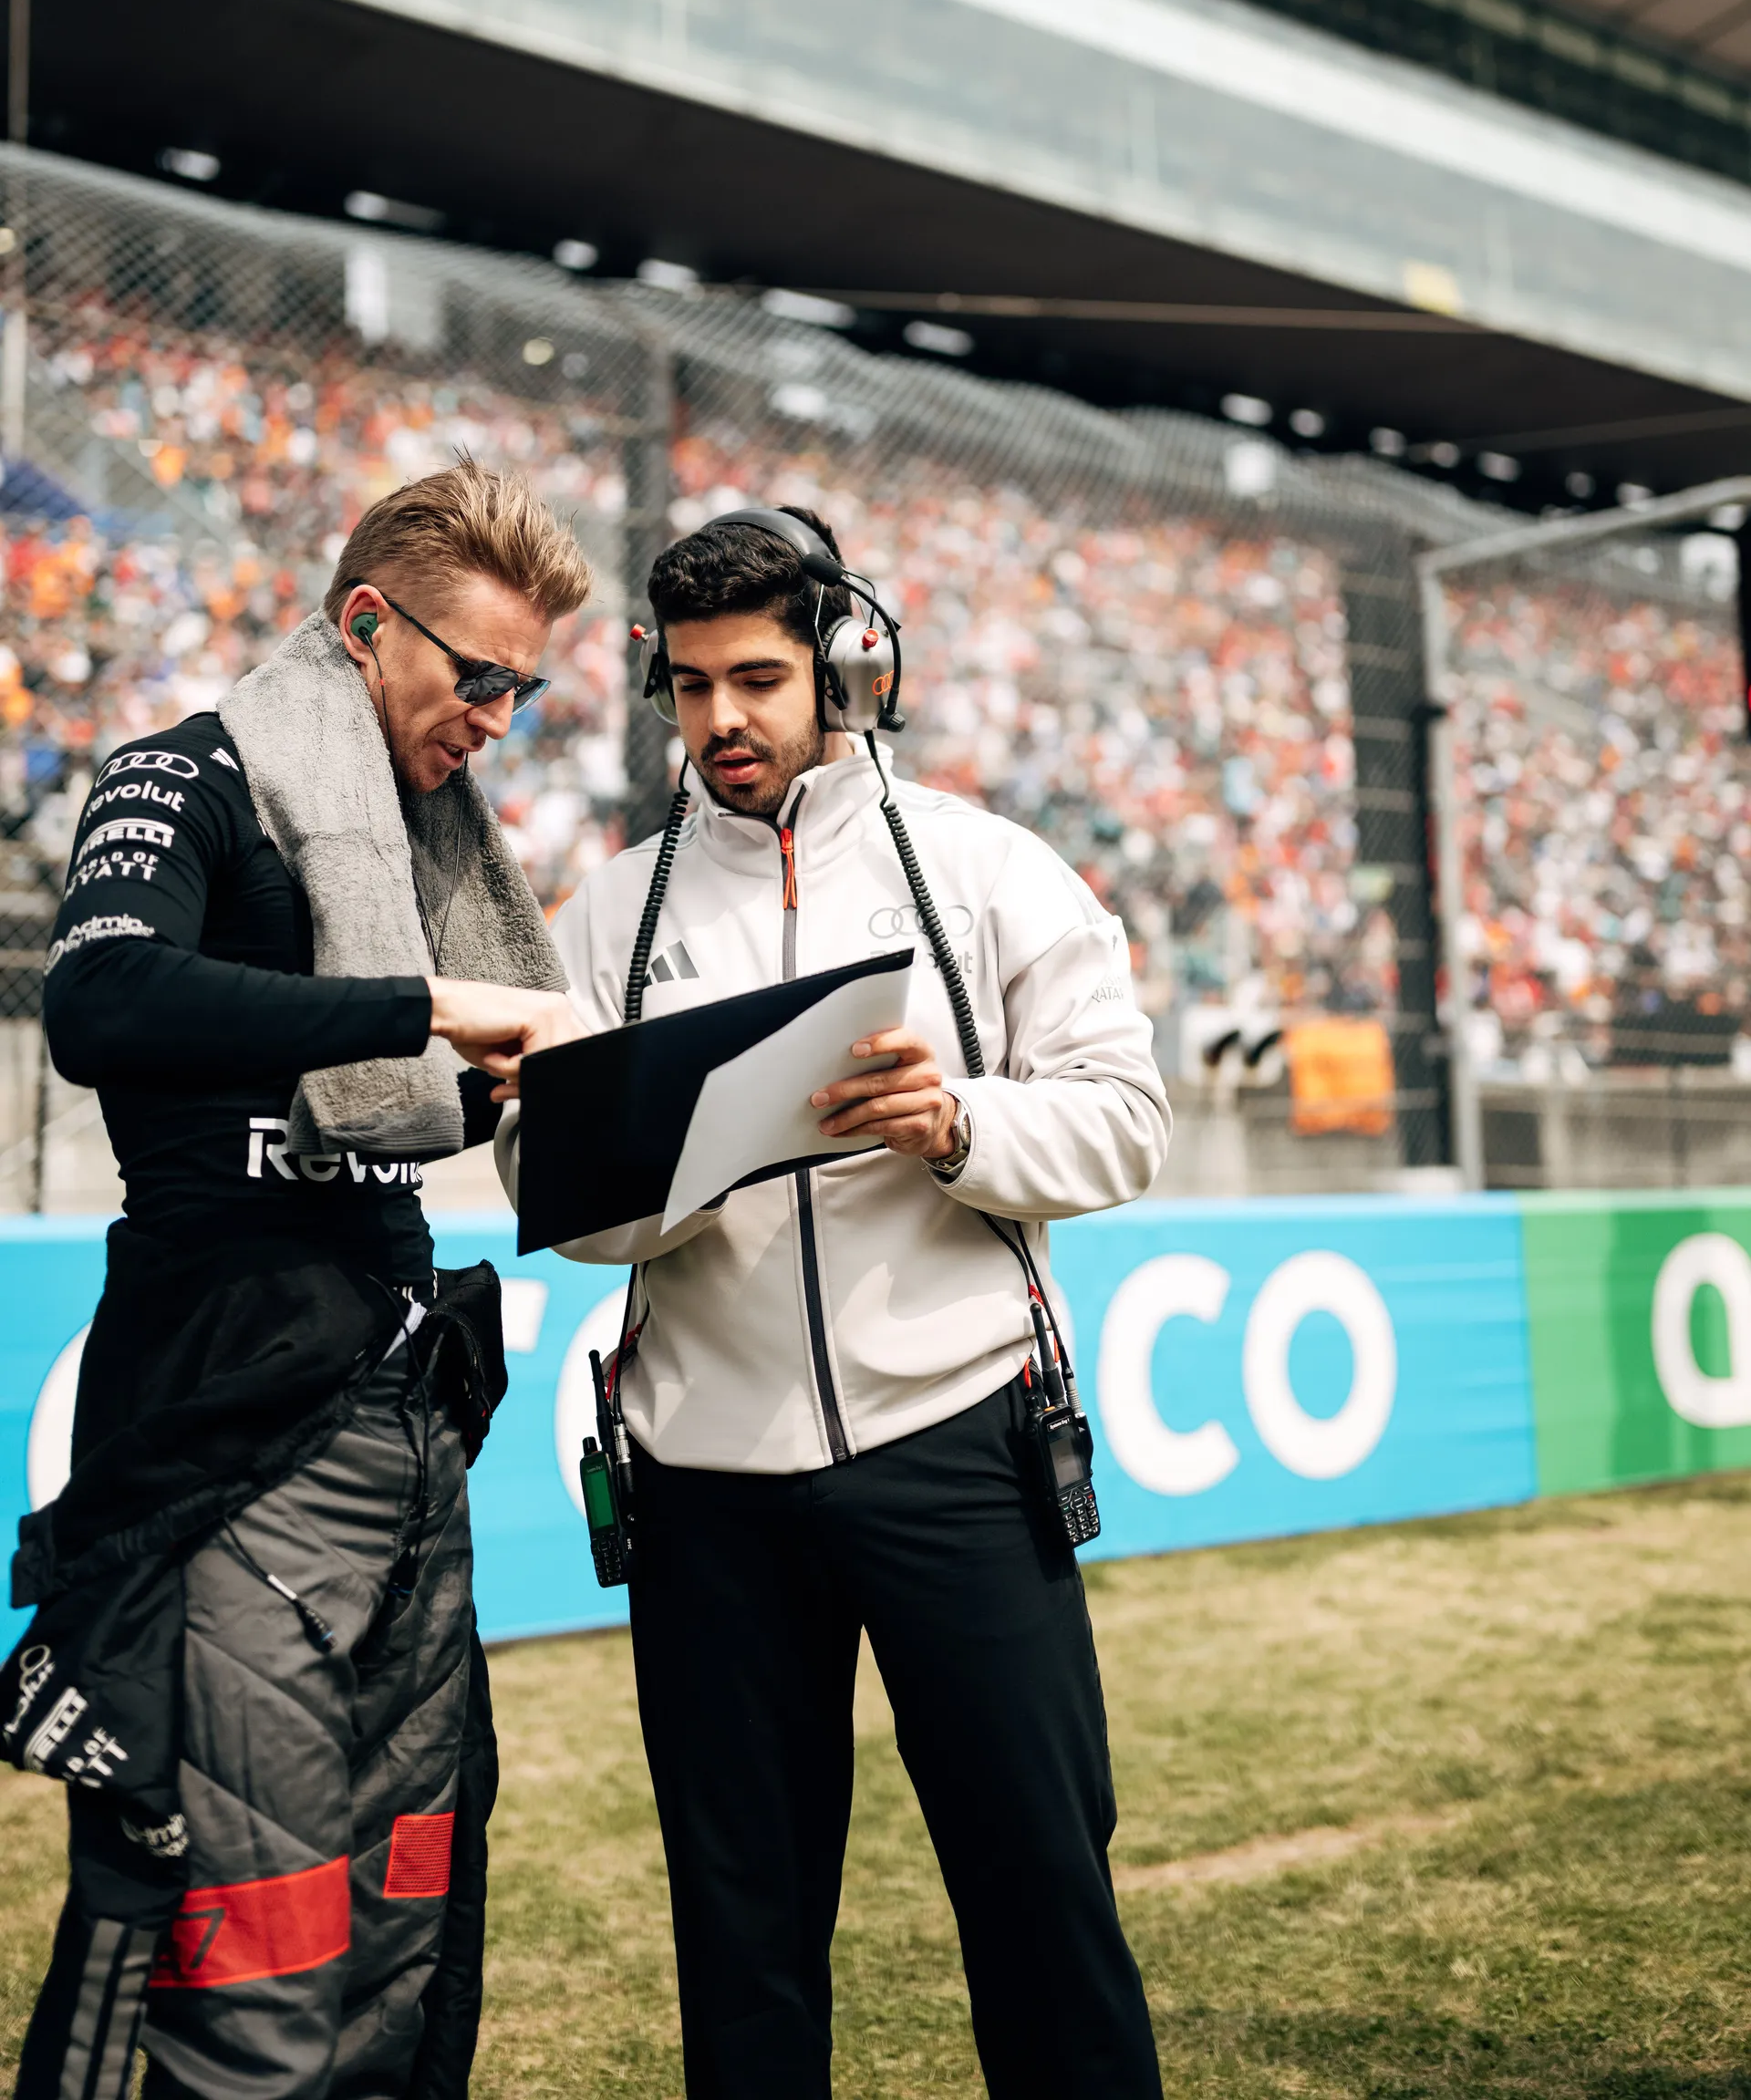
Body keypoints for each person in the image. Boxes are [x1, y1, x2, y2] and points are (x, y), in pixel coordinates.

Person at [499, 504, 1169, 2098]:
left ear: (843, 669)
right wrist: (661, 1168)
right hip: (705, 1487)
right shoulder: (605, 916)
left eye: (758, 678)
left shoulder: (990, 869)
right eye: (690, 685)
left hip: (958, 1444)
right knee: (742, 1941)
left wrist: (959, 1126)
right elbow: (555, 1193)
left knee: (1041, 1893)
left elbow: (1127, 1121)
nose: (721, 719)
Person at [10, 461, 591, 2100]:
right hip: (223, 1445)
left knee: (402, 1925)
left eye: (523, 691)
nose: (495, 718)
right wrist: (415, 1008)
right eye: (475, 675)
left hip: (403, 1426)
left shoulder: (421, 842)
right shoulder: (181, 777)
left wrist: (510, 1090)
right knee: (239, 1954)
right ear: (362, 623)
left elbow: (370, 1129)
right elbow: (102, 1009)